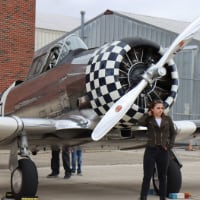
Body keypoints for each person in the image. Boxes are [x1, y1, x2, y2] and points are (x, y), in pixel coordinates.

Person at [139, 100, 177, 200]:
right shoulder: (149, 120)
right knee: (147, 176)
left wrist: (170, 145)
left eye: (162, 108)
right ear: (152, 109)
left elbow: (173, 133)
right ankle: (143, 197)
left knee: (163, 176)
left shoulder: (167, 119)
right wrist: (147, 115)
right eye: (158, 108)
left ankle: (162, 198)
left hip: (163, 151)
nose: (161, 110)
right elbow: (140, 122)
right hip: (150, 150)